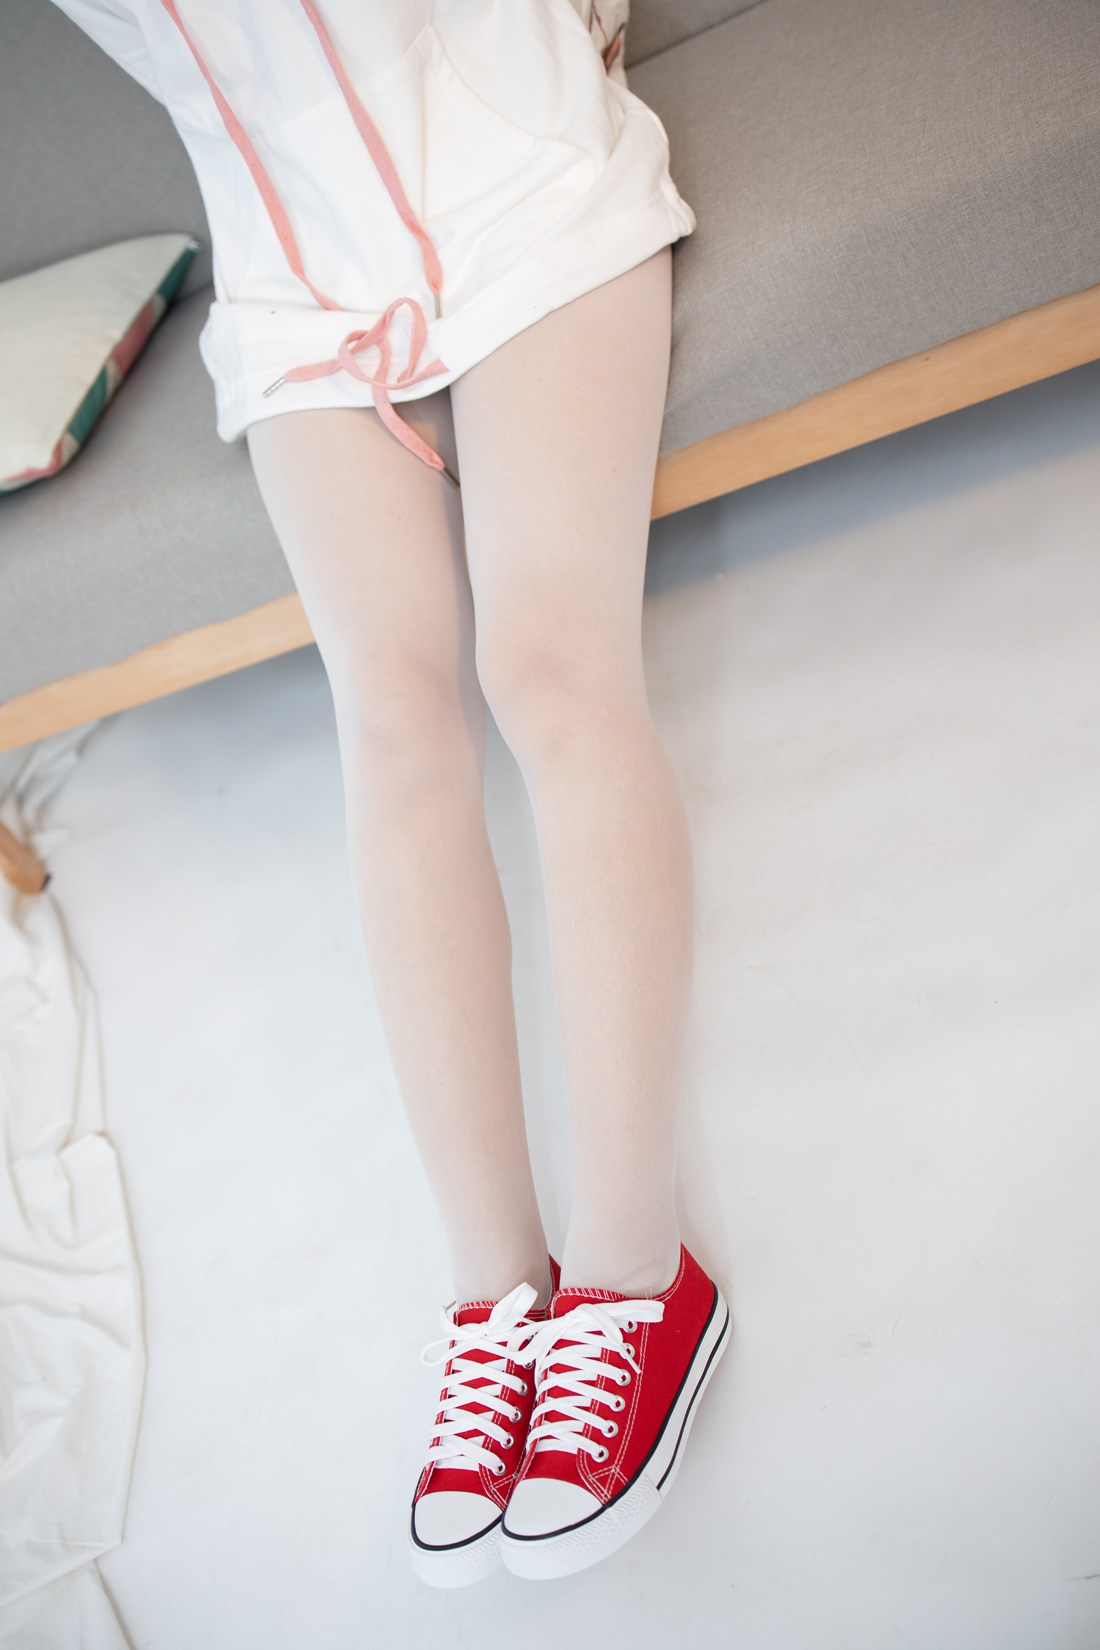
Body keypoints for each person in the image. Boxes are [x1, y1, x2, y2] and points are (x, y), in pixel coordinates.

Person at [48, 0, 731, 1586]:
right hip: (292, 272)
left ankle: (638, 1275)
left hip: (517, 177)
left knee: (548, 668)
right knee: (394, 730)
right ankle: (498, 1294)